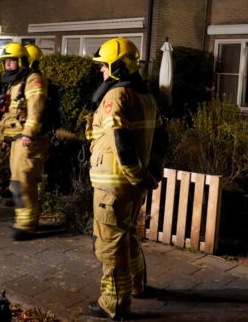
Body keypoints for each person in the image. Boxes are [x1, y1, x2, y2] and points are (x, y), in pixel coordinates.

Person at [84, 38, 166, 320]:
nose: (101, 72)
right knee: (127, 235)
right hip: (132, 186)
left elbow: (120, 140)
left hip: (113, 187)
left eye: (104, 66)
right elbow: (161, 140)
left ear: (118, 67)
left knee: (110, 244)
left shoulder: (116, 97)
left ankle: (114, 303)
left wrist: (136, 174)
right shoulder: (146, 97)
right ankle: (137, 283)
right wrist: (150, 174)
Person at [0, 43, 49, 241]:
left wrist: (29, 133)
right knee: (18, 181)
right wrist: (7, 137)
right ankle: (25, 220)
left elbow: (36, 109)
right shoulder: (16, 82)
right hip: (17, 139)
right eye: (5, 61)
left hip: (28, 141)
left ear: (23, 61)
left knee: (23, 181)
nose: (8, 65)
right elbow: (11, 113)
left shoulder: (33, 80)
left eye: (12, 61)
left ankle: (26, 225)